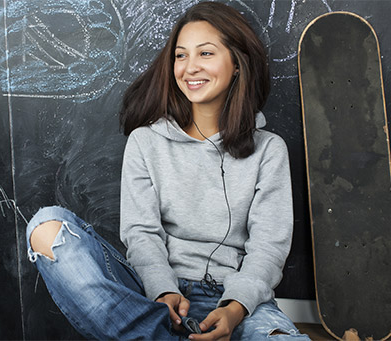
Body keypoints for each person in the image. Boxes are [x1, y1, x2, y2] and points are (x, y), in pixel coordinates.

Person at [26, 2, 310, 340]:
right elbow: (141, 234)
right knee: (46, 229)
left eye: (205, 54)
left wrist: (234, 310)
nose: (189, 68)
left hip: (238, 301)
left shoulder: (268, 150)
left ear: (237, 63)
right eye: (180, 55)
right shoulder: (146, 142)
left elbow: (268, 248)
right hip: (156, 296)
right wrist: (162, 291)